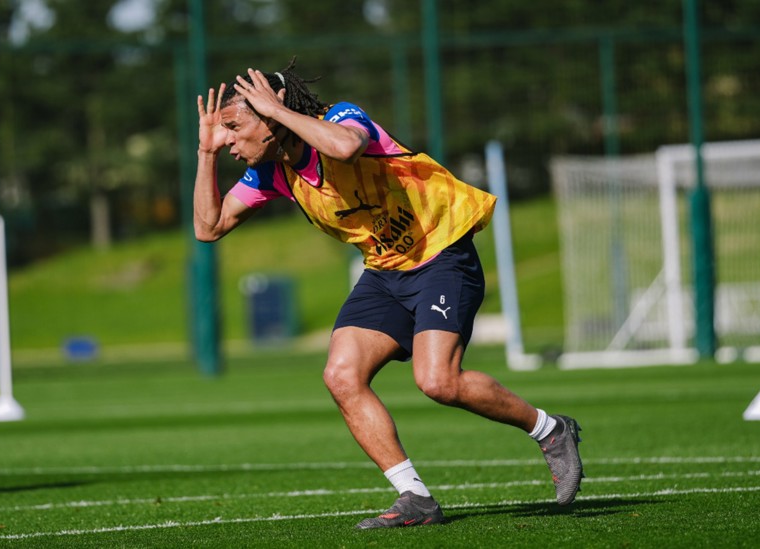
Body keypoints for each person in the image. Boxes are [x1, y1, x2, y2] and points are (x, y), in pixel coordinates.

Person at [193, 58, 583, 529]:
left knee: (438, 382)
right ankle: (414, 497)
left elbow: (344, 148)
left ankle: (550, 429)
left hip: (441, 254)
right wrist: (207, 153)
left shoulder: (340, 119)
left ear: (271, 117)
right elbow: (208, 227)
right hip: (385, 273)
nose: (229, 139)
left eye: (234, 127)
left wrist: (276, 112)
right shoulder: (272, 172)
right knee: (341, 374)